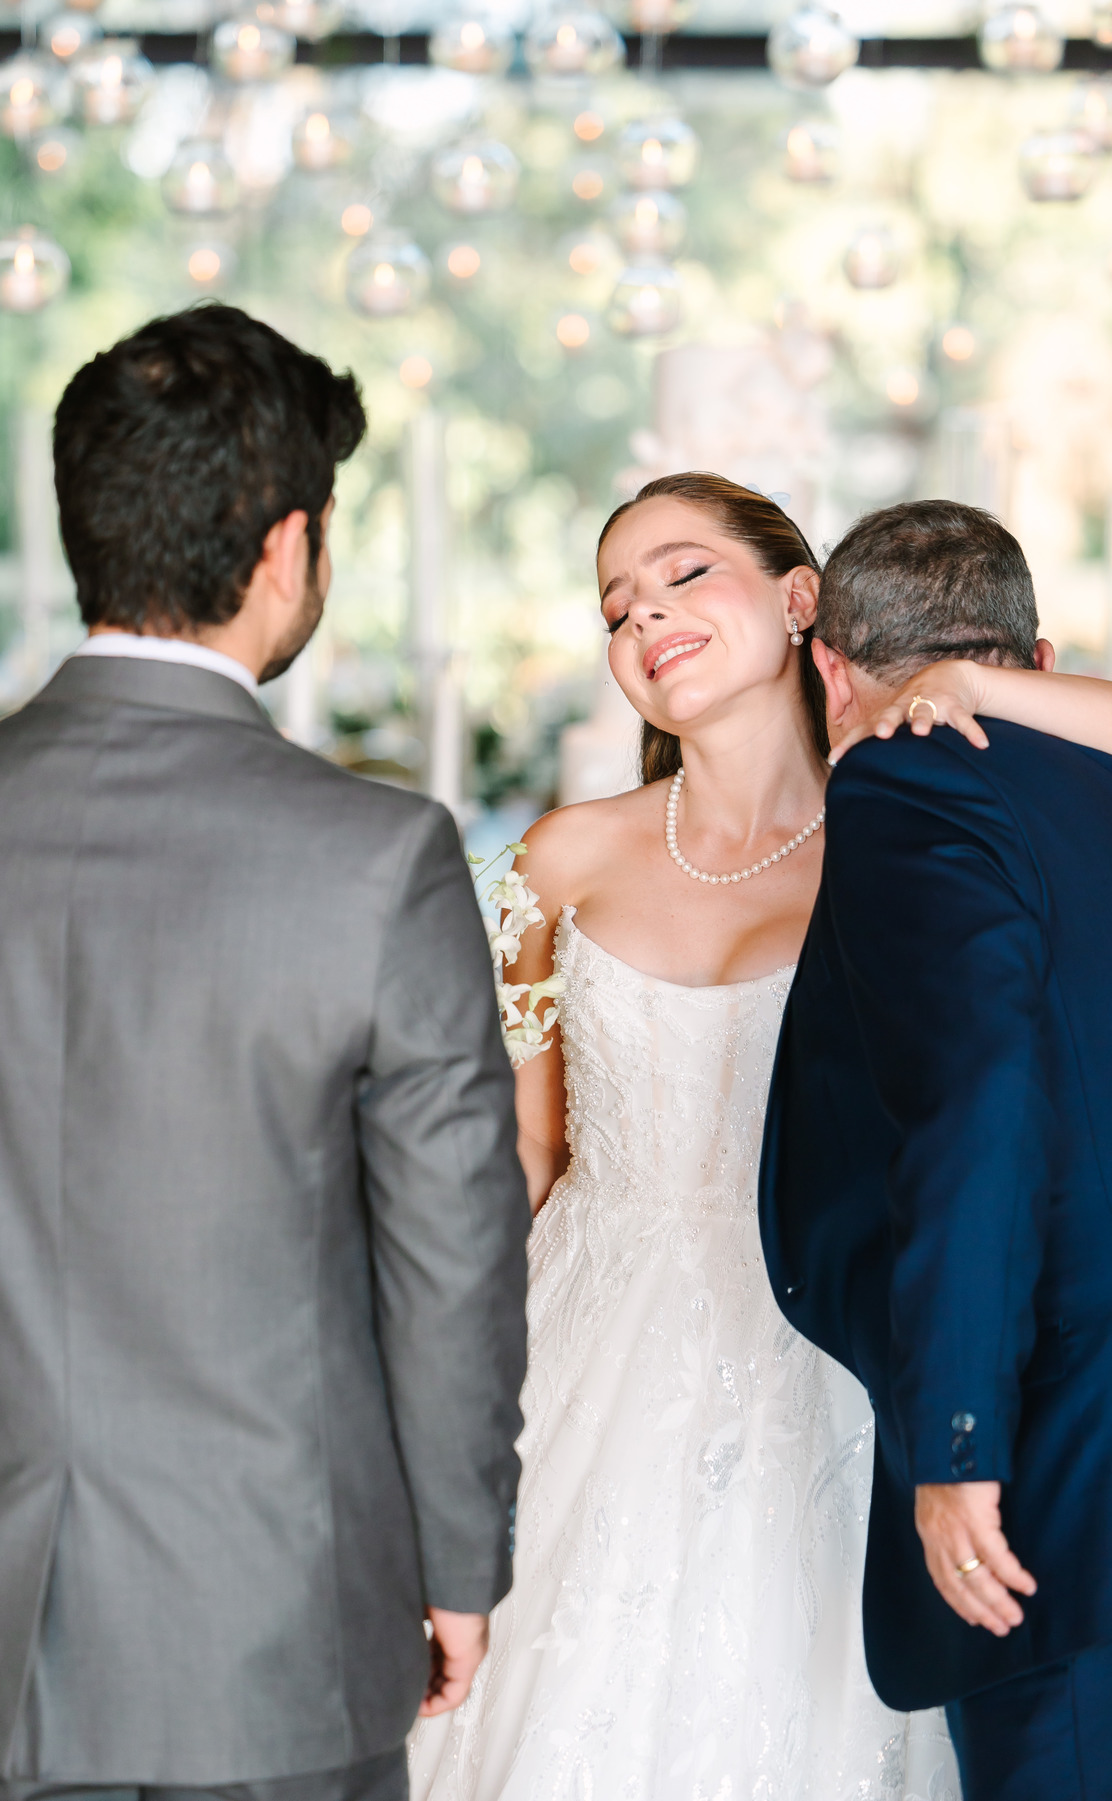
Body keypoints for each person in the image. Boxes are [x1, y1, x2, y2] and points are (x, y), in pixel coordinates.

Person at [0, 304, 530, 1801]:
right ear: (283, 549)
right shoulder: (377, 857)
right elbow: (451, 1252)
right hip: (270, 1636)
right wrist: (459, 1557)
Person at [409, 473, 959, 1800]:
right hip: (583, 1355)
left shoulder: (907, 845)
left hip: (822, 1359)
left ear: (798, 595)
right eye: (617, 605)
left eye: (682, 573)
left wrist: (968, 695)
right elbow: (525, 1165)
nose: (645, 613)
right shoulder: (557, 860)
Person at [759, 499, 1112, 1800]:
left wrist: (960, 1438)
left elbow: (984, 1106)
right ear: (1041, 653)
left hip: (1066, 1480)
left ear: (829, 668)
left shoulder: (913, 775)